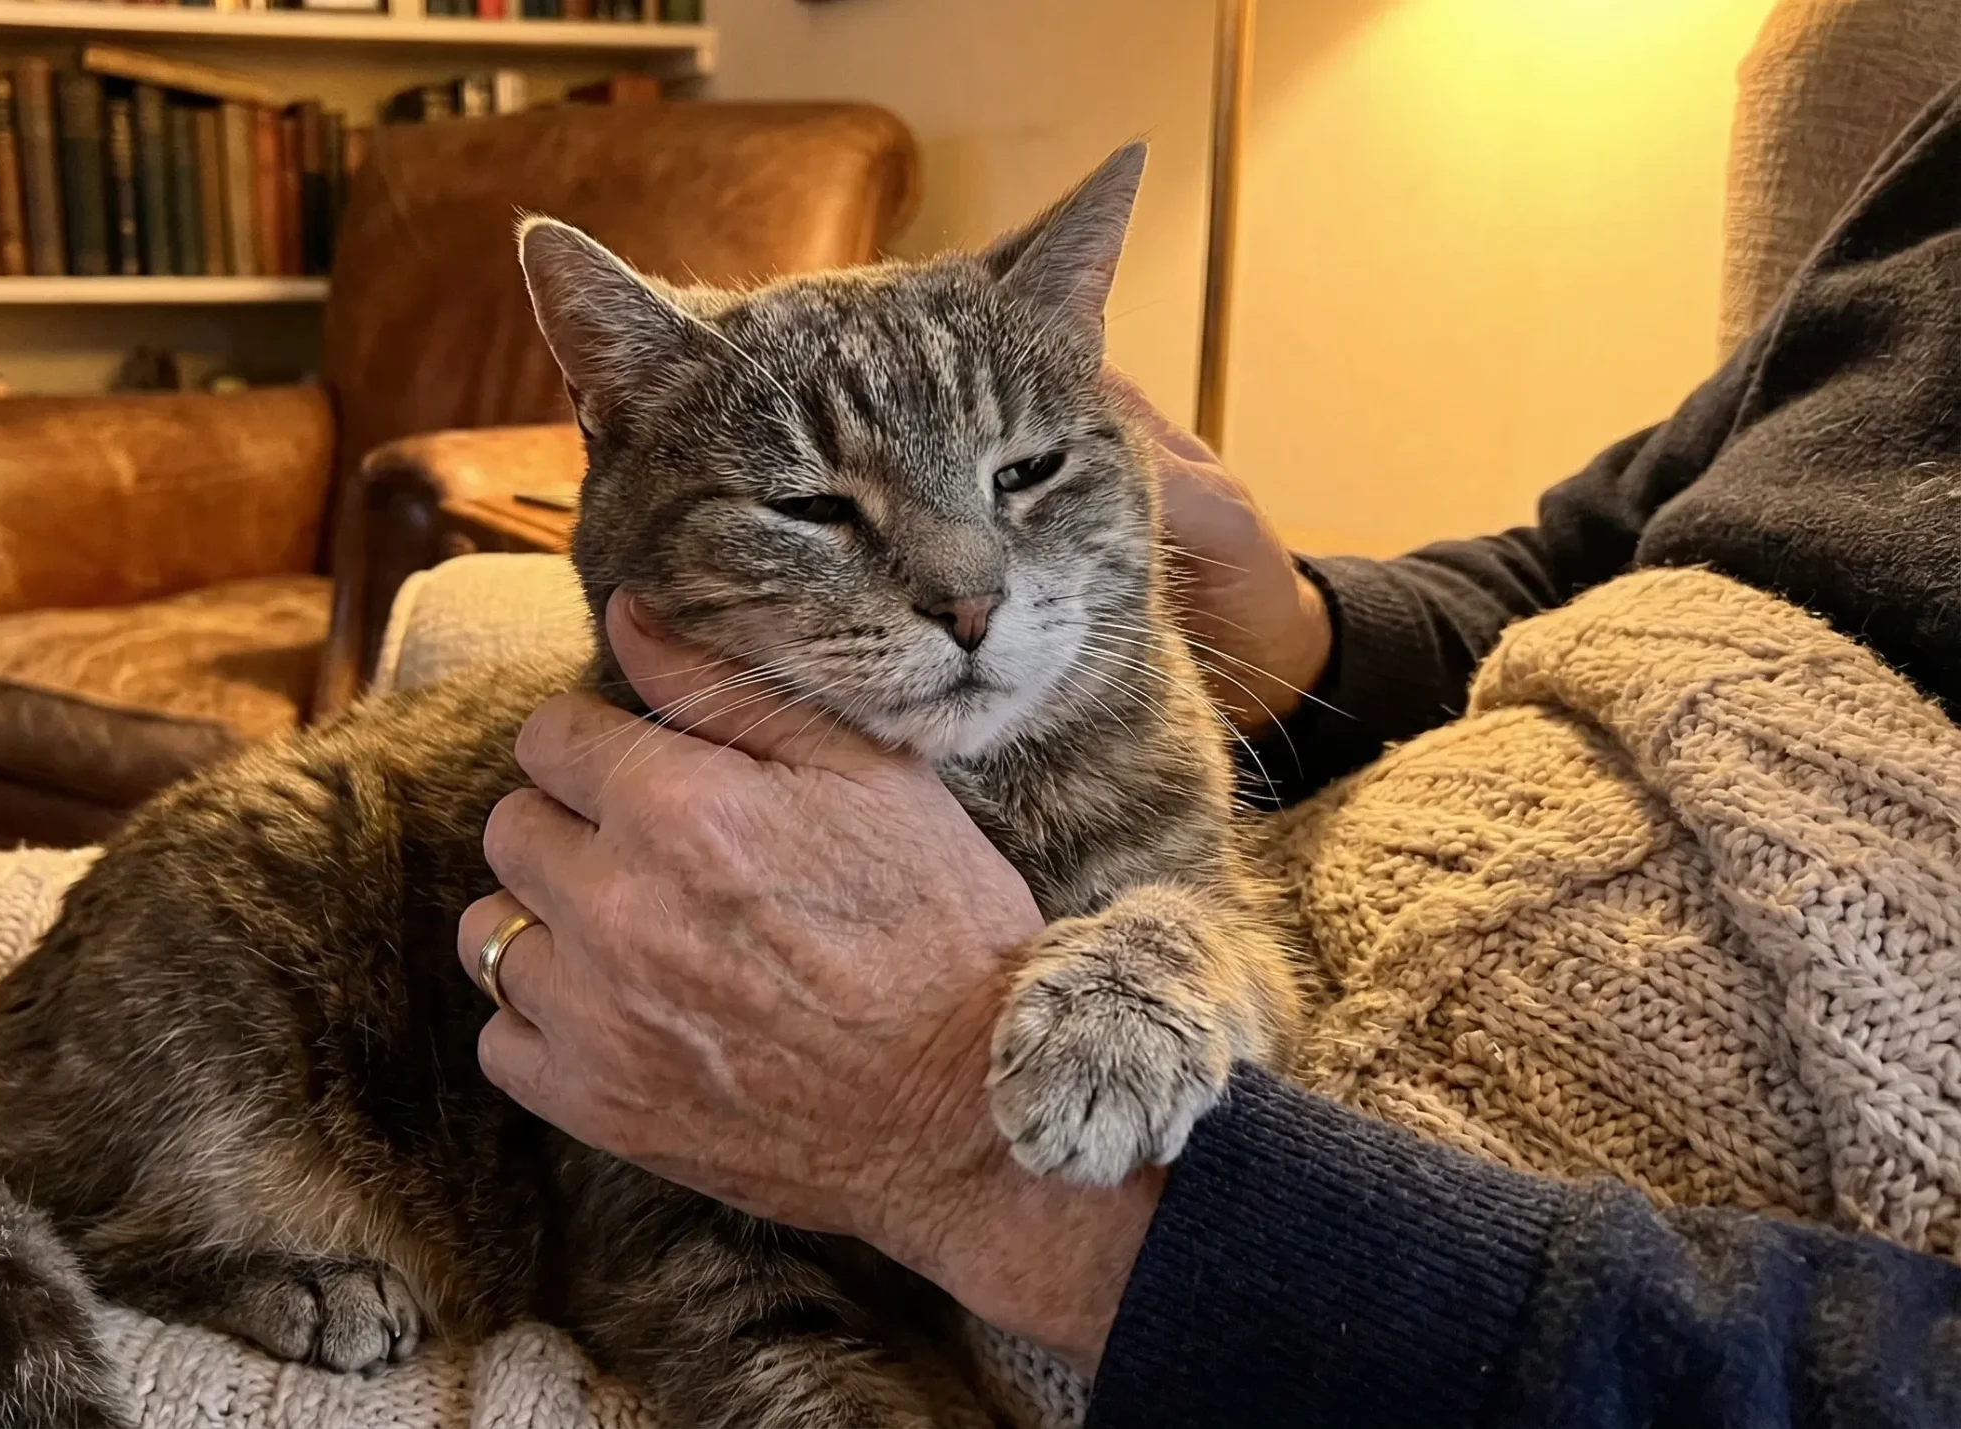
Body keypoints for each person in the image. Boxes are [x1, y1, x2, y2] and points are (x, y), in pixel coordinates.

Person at [454, 85, 1961, 1429]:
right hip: (1364, 836)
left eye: (1028, 474)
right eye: (824, 508)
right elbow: (1579, 558)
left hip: (1329, 1258)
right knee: (442, 677)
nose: (963, 589)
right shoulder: (1921, 171)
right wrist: (1307, 628)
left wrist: (969, 1159)